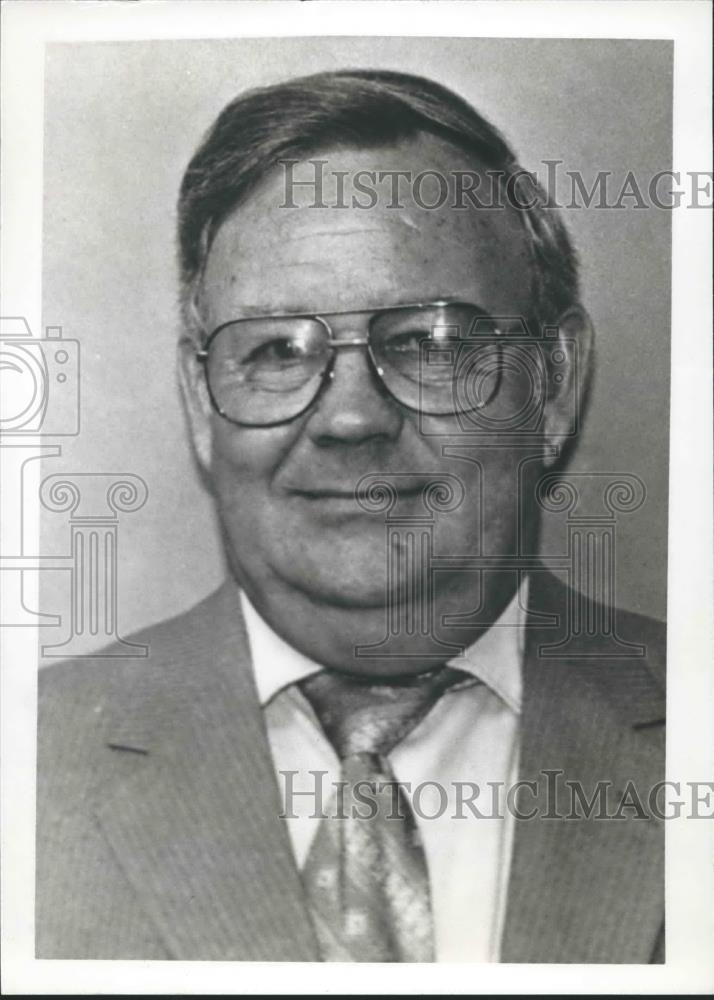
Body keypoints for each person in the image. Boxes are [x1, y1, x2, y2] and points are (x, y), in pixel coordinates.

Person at [36, 69, 665, 963]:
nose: (350, 418)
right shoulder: (27, 762)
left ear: (552, 384)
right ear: (196, 398)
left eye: (430, 343)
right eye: (278, 351)